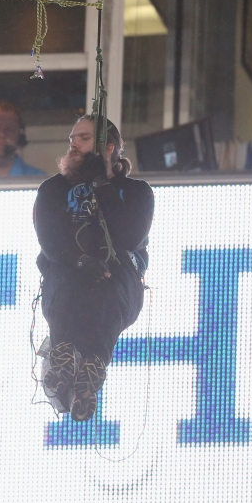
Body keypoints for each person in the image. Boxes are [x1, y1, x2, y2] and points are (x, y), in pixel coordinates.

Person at [34, 115, 153, 421]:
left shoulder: (138, 192)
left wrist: (101, 184)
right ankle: (68, 361)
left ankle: (91, 365)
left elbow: (129, 236)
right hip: (66, 271)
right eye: (72, 139)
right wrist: (81, 260)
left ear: (108, 148)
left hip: (119, 279)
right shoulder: (53, 189)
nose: (73, 144)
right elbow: (50, 240)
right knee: (67, 283)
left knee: (108, 291)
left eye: (83, 139)